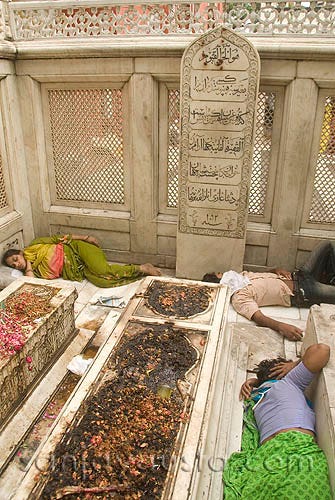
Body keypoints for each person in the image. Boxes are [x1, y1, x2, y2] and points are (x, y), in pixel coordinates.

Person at [223, 343, 332, 499]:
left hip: (285, 453)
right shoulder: (262, 395)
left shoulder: (289, 382)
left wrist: (294, 365)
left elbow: (322, 351)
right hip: (283, 455)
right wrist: (258, 382)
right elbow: (322, 350)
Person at [203, 240, 335, 341]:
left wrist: (275, 270)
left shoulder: (241, 276)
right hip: (304, 291)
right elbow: (259, 318)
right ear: (220, 282)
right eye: (220, 273)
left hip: (300, 275)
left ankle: (331, 279)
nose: (225, 272)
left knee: (326, 245)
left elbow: (263, 275)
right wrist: (282, 327)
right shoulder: (239, 298)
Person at [2, 233, 161, 288]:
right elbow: (32, 283)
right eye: (13, 265)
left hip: (78, 249)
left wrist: (86, 238)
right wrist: (28, 262)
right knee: (103, 282)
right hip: (78, 269)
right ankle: (138, 275)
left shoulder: (35, 244)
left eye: (16, 258)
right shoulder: (33, 272)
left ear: (20, 252)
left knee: (102, 271)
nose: (17, 264)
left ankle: (142, 268)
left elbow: (61, 238)